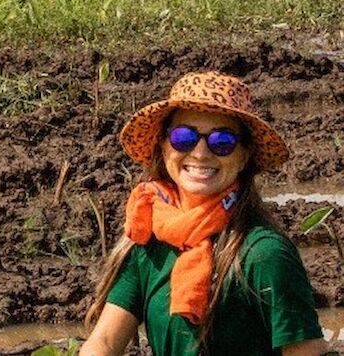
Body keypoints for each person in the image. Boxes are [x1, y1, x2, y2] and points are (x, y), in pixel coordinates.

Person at [81, 71, 326, 356]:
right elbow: (105, 342)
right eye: (183, 137)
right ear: (163, 145)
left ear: (244, 155)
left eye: (222, 141)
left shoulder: (264, 254)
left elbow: (307, 351)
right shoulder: (148, 242)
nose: (200, 153)